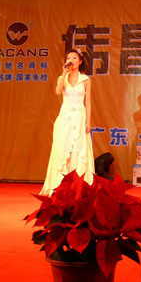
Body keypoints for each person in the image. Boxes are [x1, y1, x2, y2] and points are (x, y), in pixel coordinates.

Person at [40, 49, 94, 196]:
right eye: (68, 58)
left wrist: (88, 121)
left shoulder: (86, 79)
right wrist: (64, 73)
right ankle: (58, 186)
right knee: (61, 149)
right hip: (65, 117)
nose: (71, 60)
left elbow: (88, 101)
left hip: (79, 117)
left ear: (80, 61)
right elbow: (58, 92)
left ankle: (79, 186)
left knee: (78, 149)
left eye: (74, 58)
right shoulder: (62, 78)